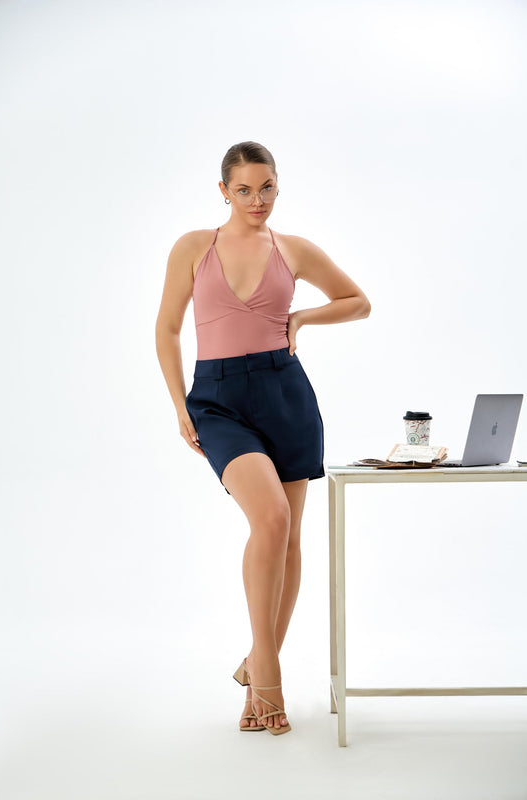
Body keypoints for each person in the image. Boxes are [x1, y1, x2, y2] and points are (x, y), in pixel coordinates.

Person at [155, 141, 371, 736]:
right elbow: (167, 328)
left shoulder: (293, 249)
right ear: (223, 191)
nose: (257, 200)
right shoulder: (194, 247)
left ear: (278, 185)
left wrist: (302, 317)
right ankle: (269, 672)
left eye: (267, 187)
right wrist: (179, 404)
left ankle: (256, 663)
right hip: (218, 400)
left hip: (285, 395)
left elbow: (358, 303)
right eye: (245, 189)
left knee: (289, 537)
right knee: (270, 518)